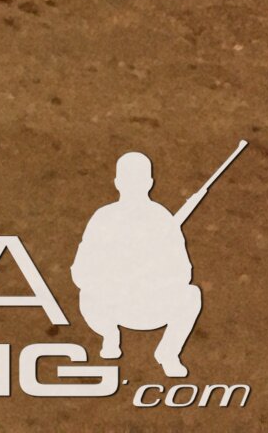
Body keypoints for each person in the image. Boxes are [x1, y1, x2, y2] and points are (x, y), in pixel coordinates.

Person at [75, 151, 209, 378]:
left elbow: (183, 272)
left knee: (191, 295)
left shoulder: (162, 218)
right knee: (86, 295)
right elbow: (80, 270)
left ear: (148, 183)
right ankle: (109, 335)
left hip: (152, 306)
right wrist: (115, 277)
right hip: (111, 306)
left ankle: (168, 352)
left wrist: (152, 275)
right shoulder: (104, 218)